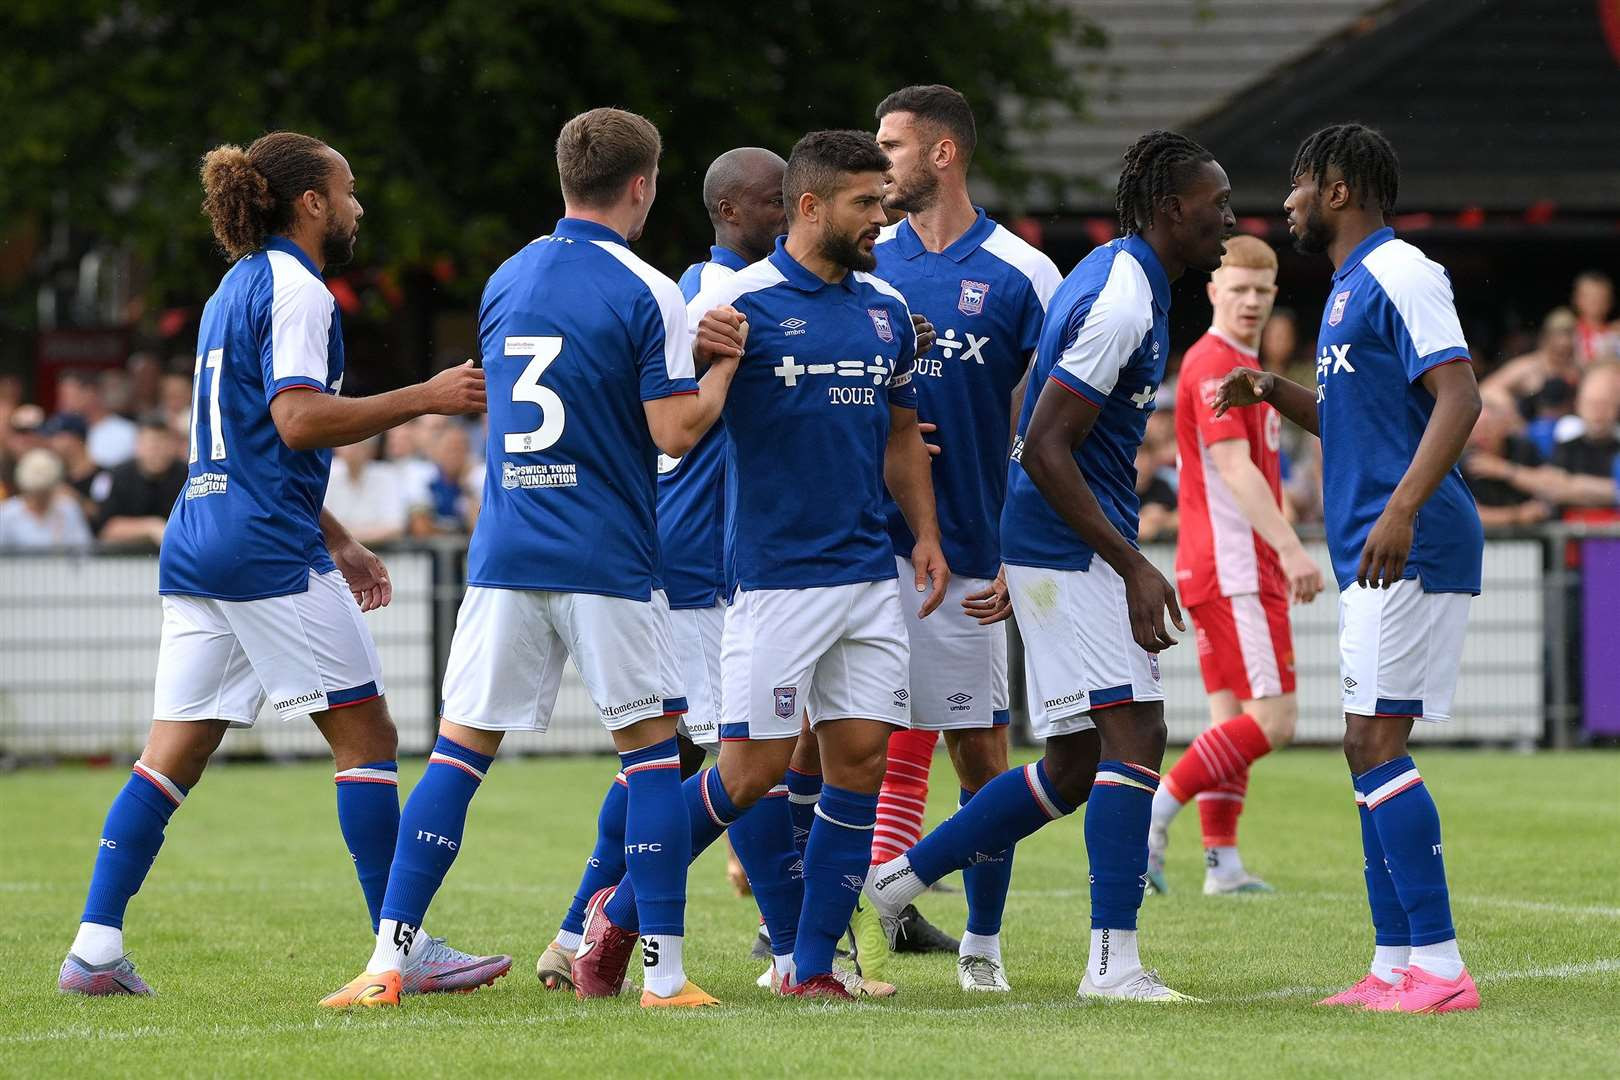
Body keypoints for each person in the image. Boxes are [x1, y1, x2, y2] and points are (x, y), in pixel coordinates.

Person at [58, 130, 498, 998]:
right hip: (262, 548)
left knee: (169, 756)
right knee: (367, 737)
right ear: (311, 203)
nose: (358, 205)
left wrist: (337, 533)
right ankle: (399, 947)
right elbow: (297, 421)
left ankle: (95, 950)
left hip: (202, 538)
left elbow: (254, 435)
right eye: (349, 189)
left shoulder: (233, 288)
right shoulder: (301, 291)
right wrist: (428, 395)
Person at [321, 108, 741, 1010]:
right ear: (644, 185)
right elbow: (672, 433)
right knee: (652, 759)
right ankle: (663, 977)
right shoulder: (650, 288)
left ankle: (386, 964)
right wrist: (718, 372)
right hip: (608, 557)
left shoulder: (507, 277)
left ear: (563, 179)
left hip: (507, 551)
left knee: (457, 758)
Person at [571, 129, 946, 1002]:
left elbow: (899, 431)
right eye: (866, 203)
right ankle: (618, 911)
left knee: (858, 763)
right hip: (773, 581)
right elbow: (666, 422)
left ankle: (811, 968)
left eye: (884, 201)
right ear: (810, 207)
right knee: (748, 774)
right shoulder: (736, 306)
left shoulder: (885, 309)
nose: (882, 219)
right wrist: (698, 357)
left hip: (865, 576)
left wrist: (924, 533)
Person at [865, 129, 1235, 1003]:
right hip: (1072, 547)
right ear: (1172, 207)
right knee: (1136, 733)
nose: (1228, 219)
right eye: (1217, 204)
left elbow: (1029, 399)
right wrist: (1133, 565)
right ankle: (1113, 964)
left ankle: (891, 885)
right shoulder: (1121, 298)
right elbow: (1046, 445)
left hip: (1049, 542)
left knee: (1072, 763)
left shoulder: (1120, 277)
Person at [1216, 122, 1484, 1013]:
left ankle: (1439, 970)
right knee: (1361, 745)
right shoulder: (1345, 289)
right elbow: (1359, 421)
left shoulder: (1401, 272)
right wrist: (1272, 391)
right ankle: (1393, 966)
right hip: (1377, 539)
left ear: (1336, 190)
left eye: (1297, 184)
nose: (1286, 200)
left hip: (1409, 537)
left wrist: (1403, 509)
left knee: (1375, 743)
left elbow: (1461, 393)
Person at [534, 145, 788, 994]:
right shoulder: (729, 300)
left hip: (684, 554)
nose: (792, 216)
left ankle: (575, 928)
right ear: (734, 211)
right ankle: (793, 949)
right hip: (693, 562)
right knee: (737, 758)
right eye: (778, 203)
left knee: (673, 759)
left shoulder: (690, 291)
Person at [841, 84, 1063, 993]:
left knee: (981, 753)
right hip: (855, 545)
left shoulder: (1024, 273)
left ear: (941, 154)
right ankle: (820, 939)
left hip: (970, 547)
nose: (875, 161)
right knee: (838, 743)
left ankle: (983, 948)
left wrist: (1022, 545)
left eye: (888, 145)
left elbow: (1047, 424)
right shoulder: (862, 261)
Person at [1149, 235, 1327, 897]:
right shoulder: (1216, 363)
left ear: (1275, 294)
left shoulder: (1232, 361)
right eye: (1240, 288)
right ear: (1213, 291)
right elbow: (1232, 466)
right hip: (1237, 566)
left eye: (1263, 290)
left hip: (1215, 563)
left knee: (1232, 718)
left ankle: (1221, 864)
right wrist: (1289, 548)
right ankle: (1156, 814)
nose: (1251, 300)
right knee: (1277, 721)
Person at [96, 415, 189, 549]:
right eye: (152, 444)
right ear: (137, 446)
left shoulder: (187, 476)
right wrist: (151, 527)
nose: (158, 451)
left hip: (176, 555)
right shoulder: (118, 476)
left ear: (174, 446)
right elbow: (106, 529)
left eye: (164, 443)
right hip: (125, 561)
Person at [1460, 398, 1550, 527]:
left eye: (1488, 427)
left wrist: (1504, 470)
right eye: (1475, 429)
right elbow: (1468, 514)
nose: (1481, 435)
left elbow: (1549, 486)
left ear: (1503, 427)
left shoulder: (1523, 448)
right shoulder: (1462, 460)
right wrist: (1517, 515)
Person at [322, 435, 411, 547]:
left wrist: (345, 536)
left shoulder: (387, 475)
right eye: (347, 444)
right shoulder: (327, 473)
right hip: (335, 554)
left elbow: (396, 528)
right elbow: (321, 526)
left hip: (381, 553)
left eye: (358, 444)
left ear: (371, 449)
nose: (352, 449)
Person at [0, 447, 93, 550]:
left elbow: (83, 548)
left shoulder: (68, 507)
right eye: (35, 492)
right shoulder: (7, 513)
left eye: (45, 491)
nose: (40, 498)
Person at [55, 369, 137, 469]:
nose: (63, 402)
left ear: (90, 393)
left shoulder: (127, 432)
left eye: (68, 395)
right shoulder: (60, 430)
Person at [1571, 271, 1619, 365]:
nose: (1596, 302)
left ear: (1610, 300)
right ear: (1576, 299)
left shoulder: (1615, 335)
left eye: (1601, 297)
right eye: (1590, 297)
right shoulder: (1570, 334)